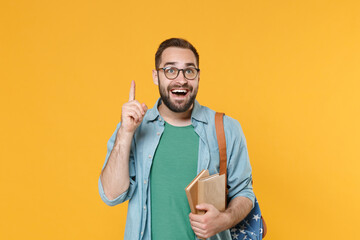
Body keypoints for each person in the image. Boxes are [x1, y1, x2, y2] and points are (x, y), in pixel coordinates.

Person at [98, 38, 255, 240]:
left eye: (189, 71)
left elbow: (245, 192)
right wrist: (125, 133)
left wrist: (223, 220)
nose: (181, 80)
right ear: (156, 76)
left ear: (198, 76)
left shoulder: (227, 129)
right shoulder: (133, 128)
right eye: (170, 70)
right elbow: (111, 195)